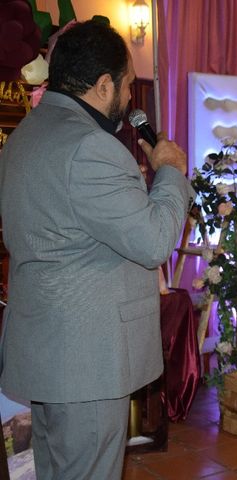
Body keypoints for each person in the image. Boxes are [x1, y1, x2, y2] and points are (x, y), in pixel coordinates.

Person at [0, 21, 193, 479]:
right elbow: (152, 243)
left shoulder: (25, 137)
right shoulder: (91, 146)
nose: (129, 99)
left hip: (45, 352)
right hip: (86, 360)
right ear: (104, 84)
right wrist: (169, 173)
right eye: (127, 85)